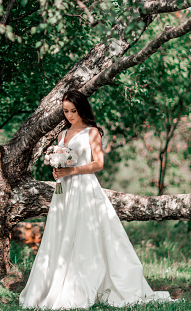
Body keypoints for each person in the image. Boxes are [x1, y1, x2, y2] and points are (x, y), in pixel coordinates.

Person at [19, 90, 171, 309]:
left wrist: (72, 171)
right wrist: (57, 170)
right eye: (66, 111)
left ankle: (86, 284)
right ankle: (55, 282)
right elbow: (62, 161)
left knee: (85, 234)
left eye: (74, 111)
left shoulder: (92, 132)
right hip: (63, 191)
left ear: (82, 109)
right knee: (61, 232)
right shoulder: (62, 135)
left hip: (85, 189)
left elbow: (98, 164)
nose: (70, 115)